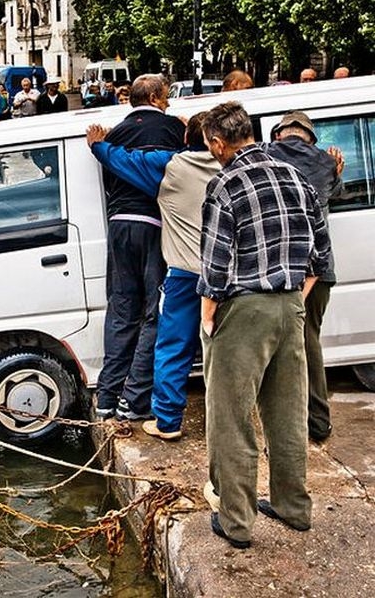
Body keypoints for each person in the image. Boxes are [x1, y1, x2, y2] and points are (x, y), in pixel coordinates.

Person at [198, 101, 331, 549]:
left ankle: (236, 521)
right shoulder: (297, 178)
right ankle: (294, 508)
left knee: (231, 419)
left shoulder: (225, 185)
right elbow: (321, 256)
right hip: (290, 303)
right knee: (287, 412)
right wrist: (294, 298)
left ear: (218, 143)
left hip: (244, 309)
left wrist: (208, 319)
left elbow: (214, 270)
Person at [87, 112, 220, 439]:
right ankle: (228, 421)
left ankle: (166, 421)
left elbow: (124, 160)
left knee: (172, 345)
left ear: (187, 140)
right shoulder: (232, 167)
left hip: (185, 273)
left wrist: (98, 146)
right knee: (226, 350)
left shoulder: (171, 166)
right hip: (225, 273)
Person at [93, 73, 186, 422]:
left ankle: (107, 396)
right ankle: (135, 399)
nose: (169, 101)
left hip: (119, 227)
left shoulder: (112, 136)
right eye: (167, 95)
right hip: (155, 228)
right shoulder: (175, 131)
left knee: (120, 311)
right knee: (154, 313)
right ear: (158, 96)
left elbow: (108, 185)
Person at [268, 111, 344, 442]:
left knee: (271, 347)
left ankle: (282, 424)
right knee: (309, 344)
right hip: (319, 270)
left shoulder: (266, 155)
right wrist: (336, 171)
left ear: (279, 134)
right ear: (310, 138)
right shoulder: (325, 163)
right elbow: (335, 194)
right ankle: (318, 422)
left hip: (276, 270)